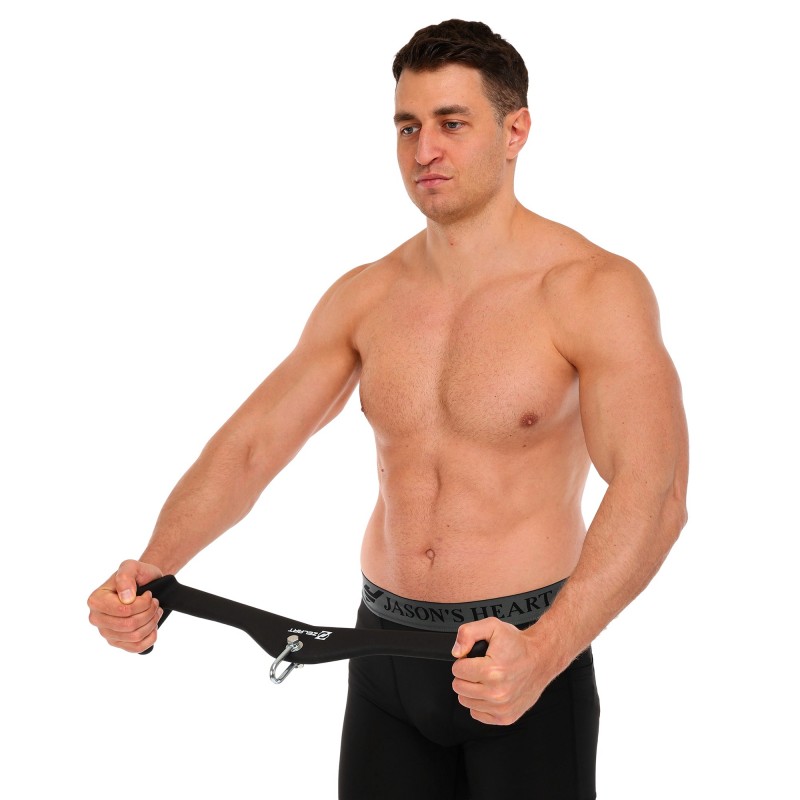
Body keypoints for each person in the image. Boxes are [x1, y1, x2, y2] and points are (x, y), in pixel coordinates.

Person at [87, 18, 688, 799]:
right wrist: (154, 566)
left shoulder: (592, 290)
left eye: (451, 124)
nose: (424, 150)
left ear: (515, 131)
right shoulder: (366, 295)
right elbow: (253, 446)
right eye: (407, 126)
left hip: (520, 658)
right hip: (381, 654)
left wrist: (546, 652)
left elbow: (655, 491)